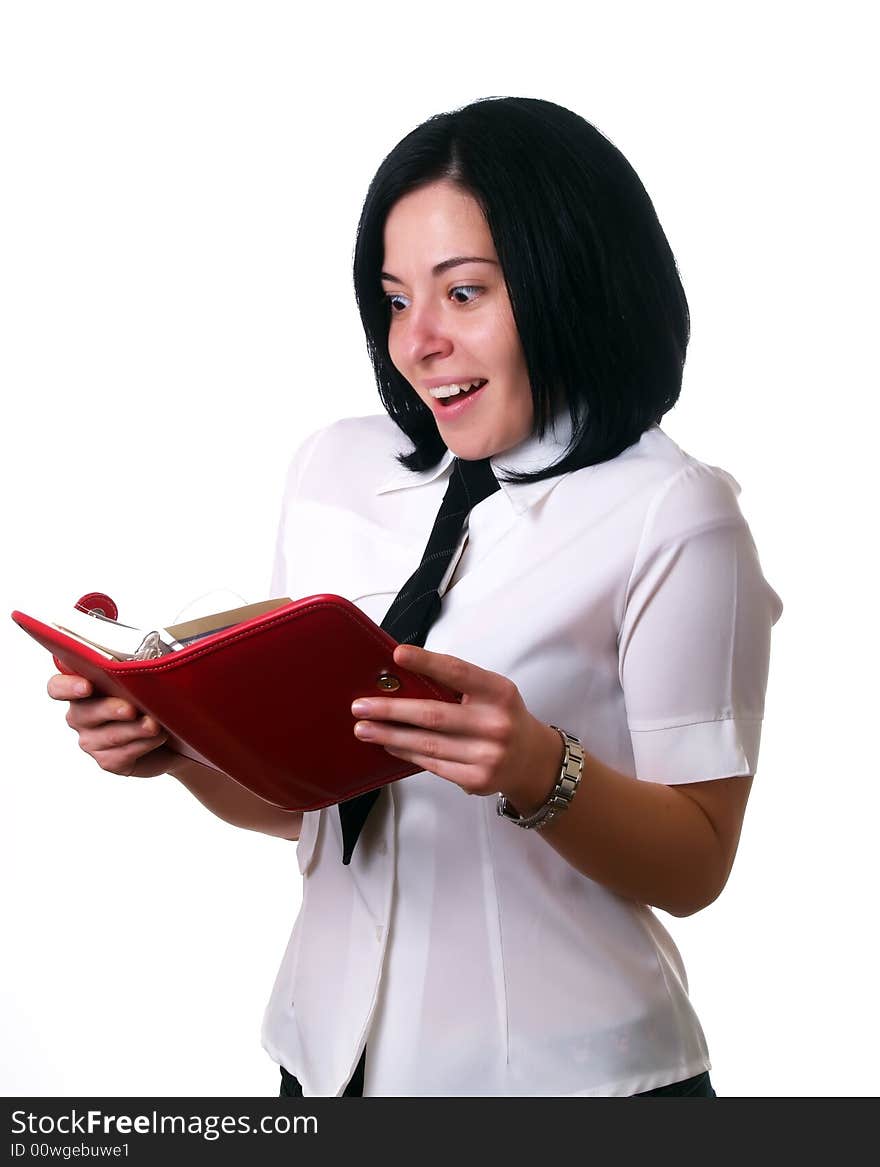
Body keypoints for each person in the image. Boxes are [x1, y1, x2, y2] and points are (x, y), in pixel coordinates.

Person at [48, 96, 783, 1097]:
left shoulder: (673, 514)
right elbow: (319, 803)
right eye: (395, 300)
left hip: (569, 1087)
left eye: (464, 293)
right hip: (320, 1065)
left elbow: (698, 862)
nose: (417, 340)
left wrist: (538, 768)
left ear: (572, 285)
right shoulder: (333, 469)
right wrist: (177, 746)